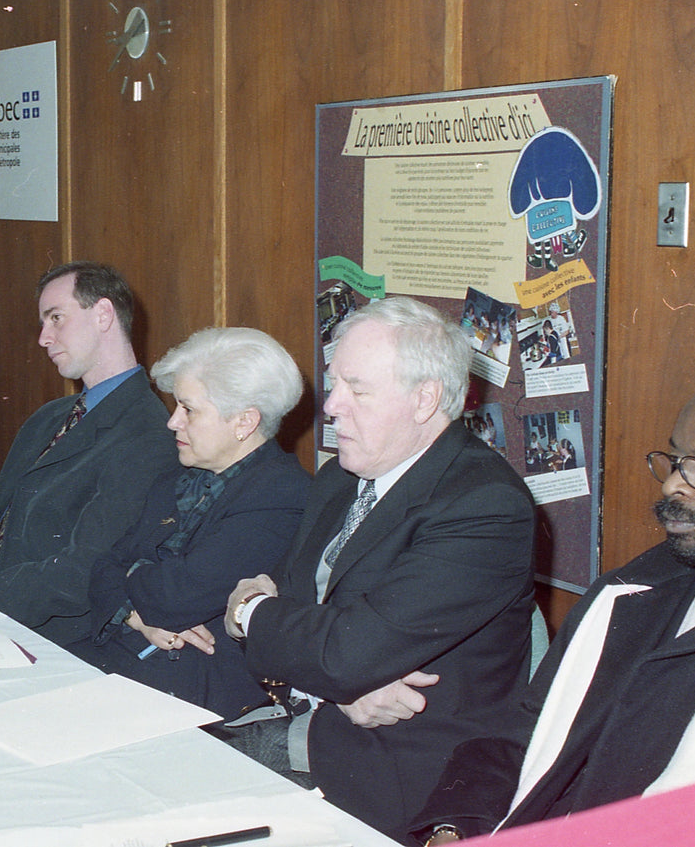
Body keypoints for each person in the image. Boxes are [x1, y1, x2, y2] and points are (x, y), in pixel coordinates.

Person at [412, 346, 695, 844]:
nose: (676, 484)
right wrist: (452, 828)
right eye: (675, 460)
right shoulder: (631, 592)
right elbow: (519, 734)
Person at [222, 296, 536, 842]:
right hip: (307, 723)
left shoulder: (484, 506)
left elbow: (331, 647)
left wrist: (252, 613)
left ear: (424, 400)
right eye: (334, 383)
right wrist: (335, 675)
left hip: (387, 775)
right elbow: (299, 630)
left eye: (357, 390)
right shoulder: (341, 479)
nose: (332, 407)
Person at [0, 262, 178, 646]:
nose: (43, 337)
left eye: (56, 318)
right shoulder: (50, 417)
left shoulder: (147, 434)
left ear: (104, 314)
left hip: (24, 620)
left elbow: (78, 573)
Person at [67, 327, 310, 719]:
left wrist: (133, 586)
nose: (173, 422)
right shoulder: (178, 478)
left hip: (190, 686)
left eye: (189, 409)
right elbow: (101, 568)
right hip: (129, 654)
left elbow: (175, 597)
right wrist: (135, 614)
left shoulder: (281, 495)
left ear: (244, 422)